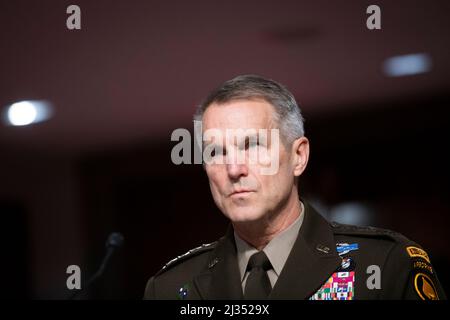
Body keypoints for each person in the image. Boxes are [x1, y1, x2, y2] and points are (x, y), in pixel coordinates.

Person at [144, 75, 446, 300]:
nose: (234, 169)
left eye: (253, 146)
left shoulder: (384, 264)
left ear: (298, 156)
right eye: (216, 152)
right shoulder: (171, 288)